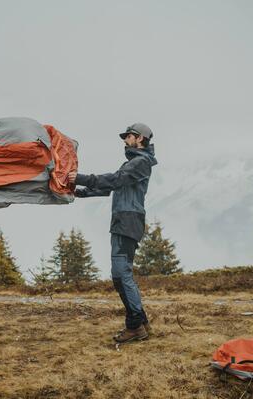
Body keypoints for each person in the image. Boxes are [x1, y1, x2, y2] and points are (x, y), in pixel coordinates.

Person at [68, 123, 158, 343]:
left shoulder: (141, 162)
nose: (125, 140)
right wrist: (79, 192)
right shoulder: (133, 164)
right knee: (122, 275)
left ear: (140, 139)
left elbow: (115, 180)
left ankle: (135, 326)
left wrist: (79, 177)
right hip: (124, 220)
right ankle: (141, 322)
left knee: (120, 275)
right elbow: (109, 187)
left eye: (129, 136)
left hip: (128, 221)